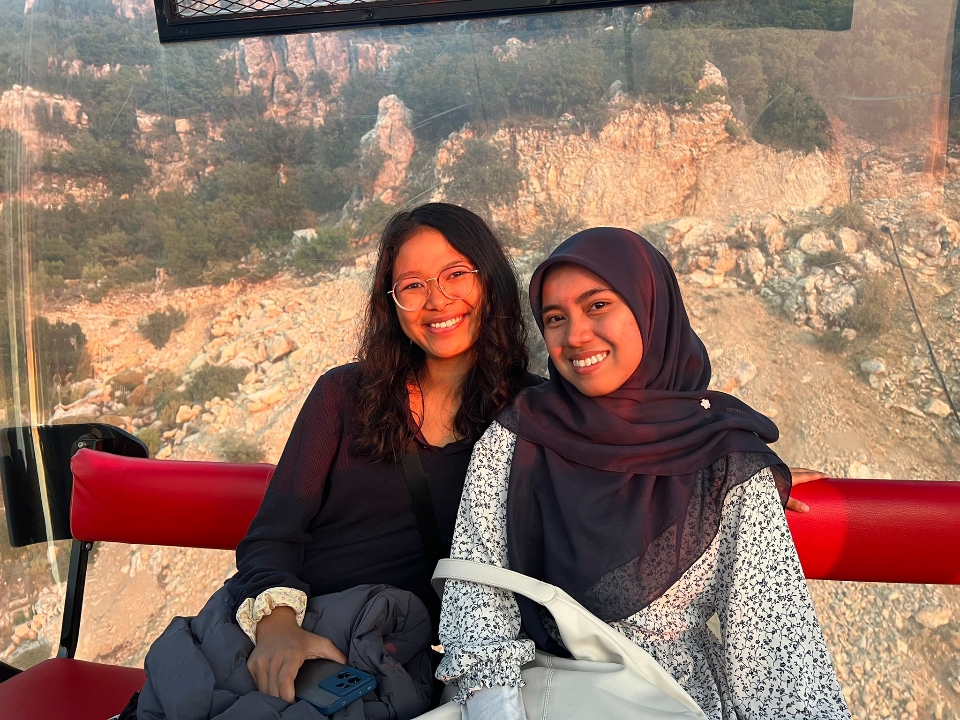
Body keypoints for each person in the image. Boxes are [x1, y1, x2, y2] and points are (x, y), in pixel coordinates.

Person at [436, 228, 850, 720]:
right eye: (555, 318)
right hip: (535, 696)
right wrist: (498, 710)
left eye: (597, 306)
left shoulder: (723, 462)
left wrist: (748, 478)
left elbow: (776, 660)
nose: (575, 336)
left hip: (669, 699)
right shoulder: (520, 436)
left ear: (650, 307)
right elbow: (477, 597)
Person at [228, 203, 537, 706]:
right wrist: (279, 628)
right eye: (412, 285)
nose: (437, 300)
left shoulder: (533, 413)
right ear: (391, 304)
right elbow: (273, 535)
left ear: (491, 280)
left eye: (456, 274)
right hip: (296, 639)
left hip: (398, 662)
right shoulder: (343, 395)